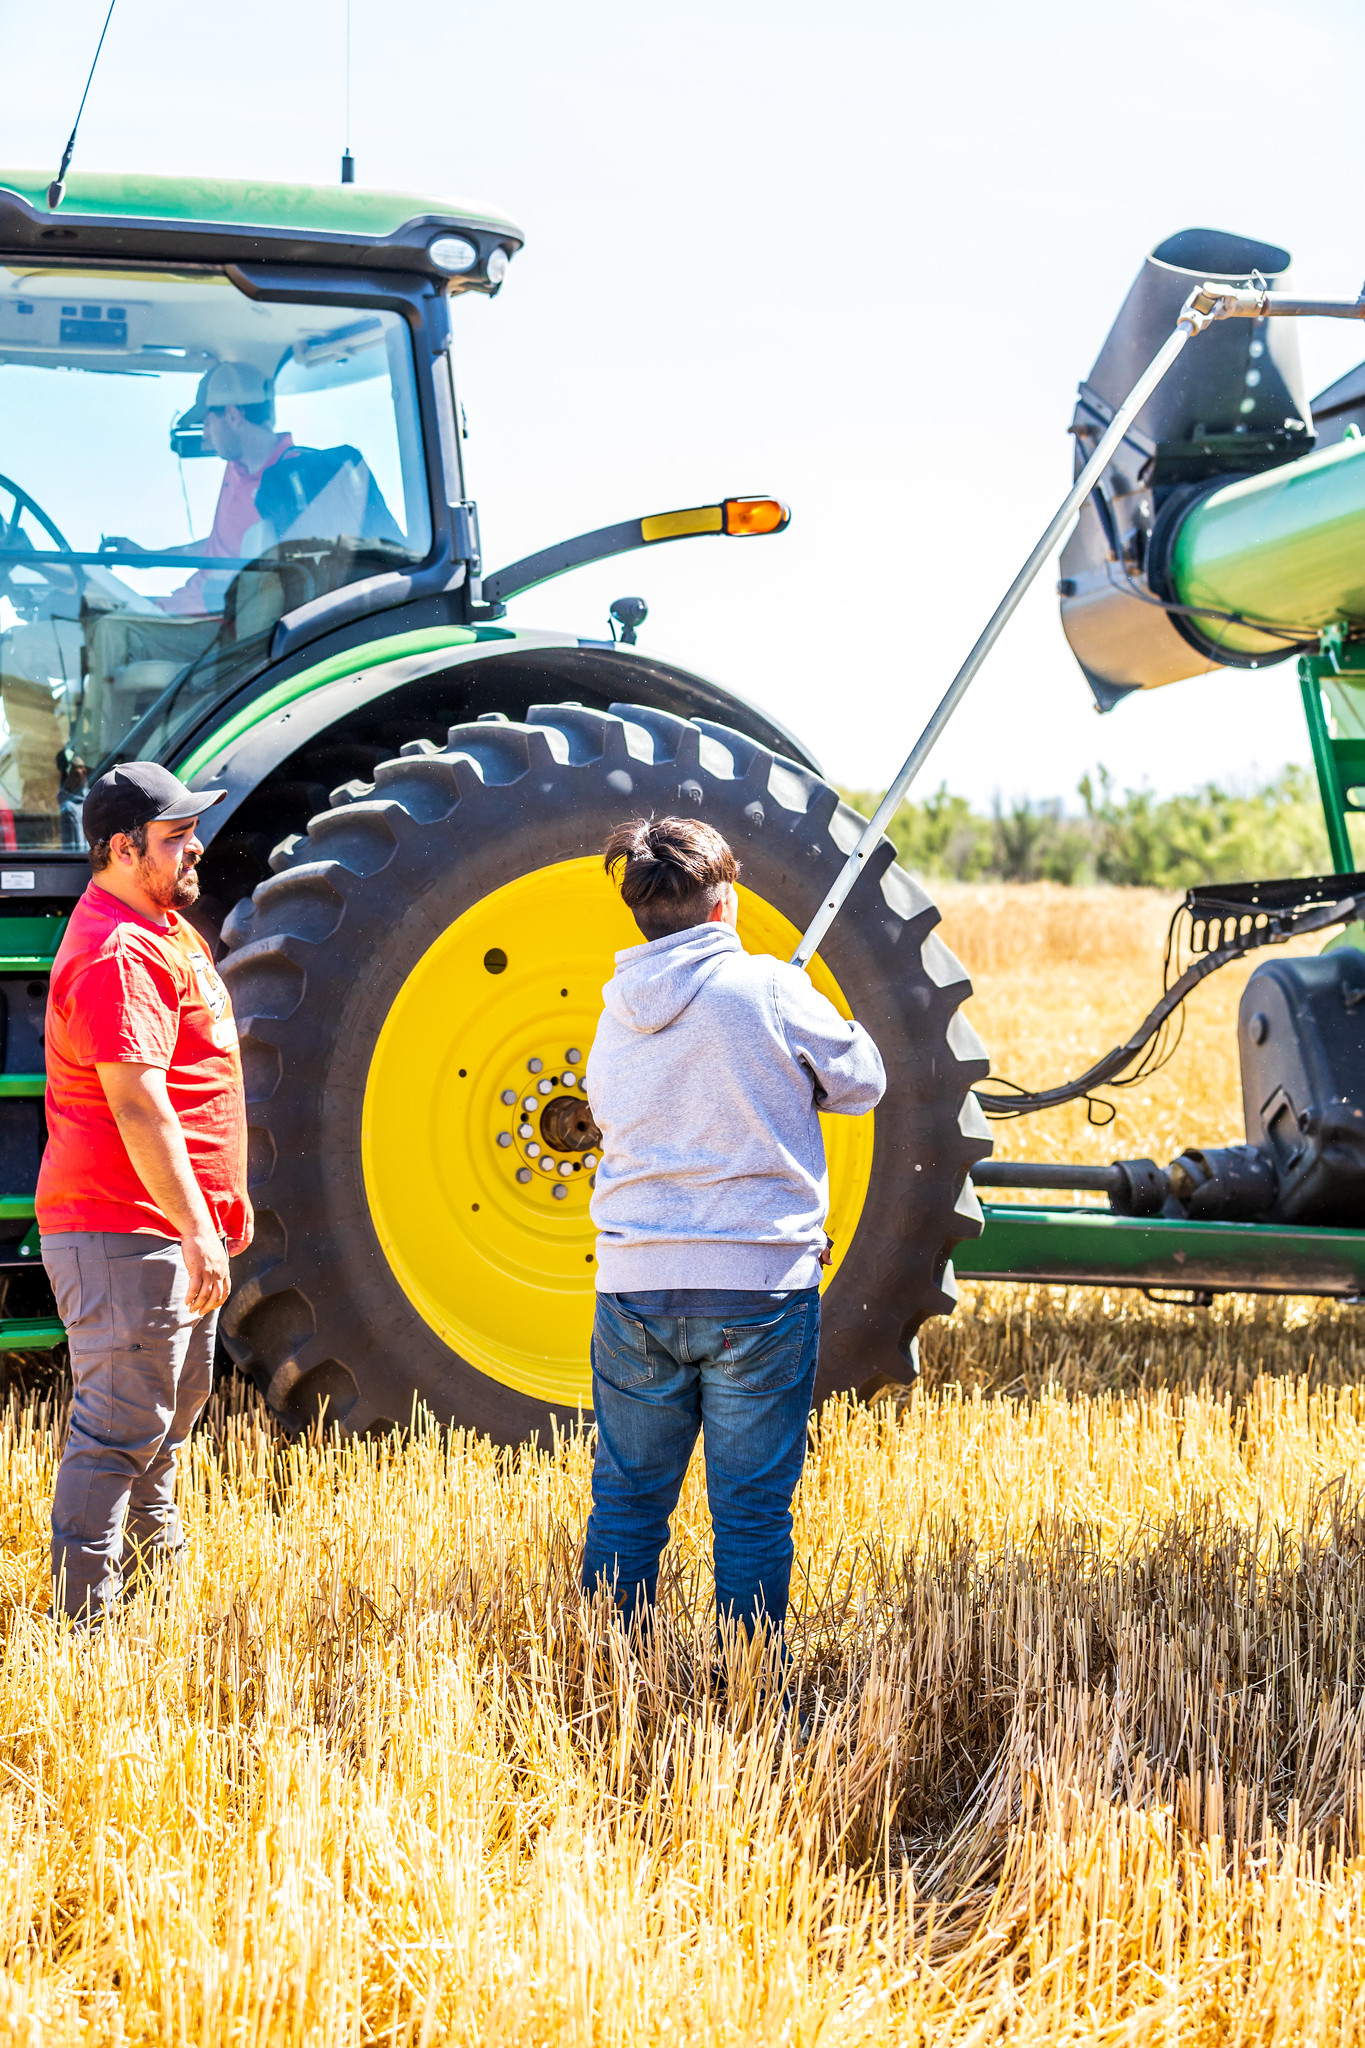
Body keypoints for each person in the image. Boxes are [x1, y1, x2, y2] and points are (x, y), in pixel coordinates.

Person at [581, 816, 885, 1643]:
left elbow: (610, 1112)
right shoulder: (770, 988)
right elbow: (862, 1082)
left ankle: (607, 1669)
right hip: (758, 1287)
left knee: (628, 1495)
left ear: (642, 912)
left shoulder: (616, 1011)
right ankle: (750, 1685)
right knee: (749, 1508)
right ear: (727, 903)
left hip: (634, 1285)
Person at [36, 761, 252, 1624]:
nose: (195, 847)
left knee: (162, 1428)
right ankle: (86, 1636)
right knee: (120, 1432)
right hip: (126, 1229)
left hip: (159, 1229)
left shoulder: (164, 927)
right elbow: (136, 1100)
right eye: (175, 837)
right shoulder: (119, 952)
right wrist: (197, 1230)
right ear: (124, 848)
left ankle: (152, 1604)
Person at [106, 360, 401, 616]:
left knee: (108, 630)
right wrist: (147, 557)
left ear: (233, 416)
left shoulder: (288, 485)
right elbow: (219, 546)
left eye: (207, 422)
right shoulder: (235, 468)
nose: (205, 434)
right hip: (182, 605)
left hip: (211, 615)